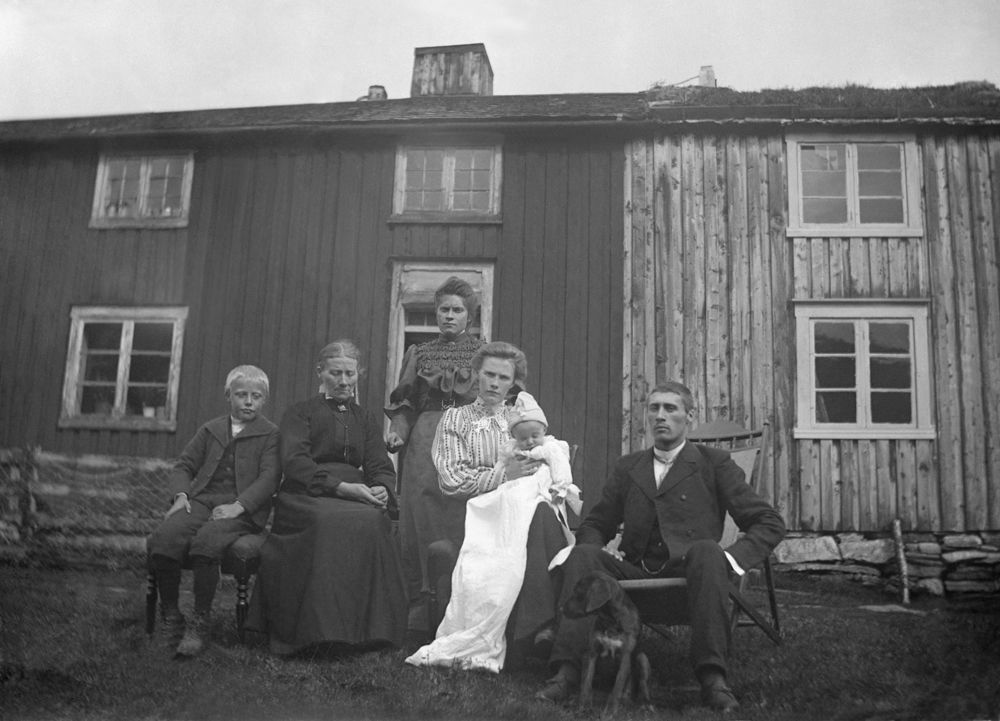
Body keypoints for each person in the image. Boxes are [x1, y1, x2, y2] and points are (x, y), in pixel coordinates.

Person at [535, 382, 786, 712]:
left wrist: (730, 562)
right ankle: (565, 672)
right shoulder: (629, 467)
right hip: (634, 578)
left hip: (691, 577)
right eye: (654, 408)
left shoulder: (714, 463)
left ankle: (713, 678)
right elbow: (596, 523)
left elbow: (769, 522)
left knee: (709, 551)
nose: (660, 416)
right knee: (583, 553)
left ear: (689, 417)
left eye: (670, 408)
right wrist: (602, 548)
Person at [248, 340, 407, 655]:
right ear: (320, 372)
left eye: (350, 374)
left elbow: (378, 463)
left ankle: (368, 632)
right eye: (336, 373)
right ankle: (317, 632)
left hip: (357, 491)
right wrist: (342, 488)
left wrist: (381, 488)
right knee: (325, 521)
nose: (344, 381)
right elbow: (296, 463)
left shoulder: (365, 419)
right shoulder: (300, 413)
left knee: (374, 521)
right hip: (306, 492)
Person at [405, 391, 580, 672]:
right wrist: (503, 472)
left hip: (536, 502)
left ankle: (533, 629)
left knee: (535, 515)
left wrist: (559, 487)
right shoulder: (466, 424)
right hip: (494, 500)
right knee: (509, 516)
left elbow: (561, 473)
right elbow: (465, 478)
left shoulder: (548, 444)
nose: (530, 442)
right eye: (524, 438)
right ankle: (532, 624)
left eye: (535, 435)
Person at [147, 365, 280, 656]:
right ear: (227, 396)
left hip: (241, 509)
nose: (248, 401)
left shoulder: (270, 435)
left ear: (264, 400)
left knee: (206, 543)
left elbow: (269, 478)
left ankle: (200, 621)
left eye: (255, 396)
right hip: (202, 500)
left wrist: (238, 506)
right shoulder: (211, 430)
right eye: (241, 394)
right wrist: (181, 495)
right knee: (165, 538)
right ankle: (171, 616)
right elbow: (185, 465)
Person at [384, 276, 486, 622]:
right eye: (443, 309)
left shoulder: (485, 354)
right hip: (425, 437)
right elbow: (405, 403)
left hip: (470, 437)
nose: (449, 316)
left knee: (461, 509)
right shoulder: (420, 353)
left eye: (457, 310)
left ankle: (460, 596)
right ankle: (421, 600)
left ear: (469, 316)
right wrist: (398, 431)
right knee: (421, 510)